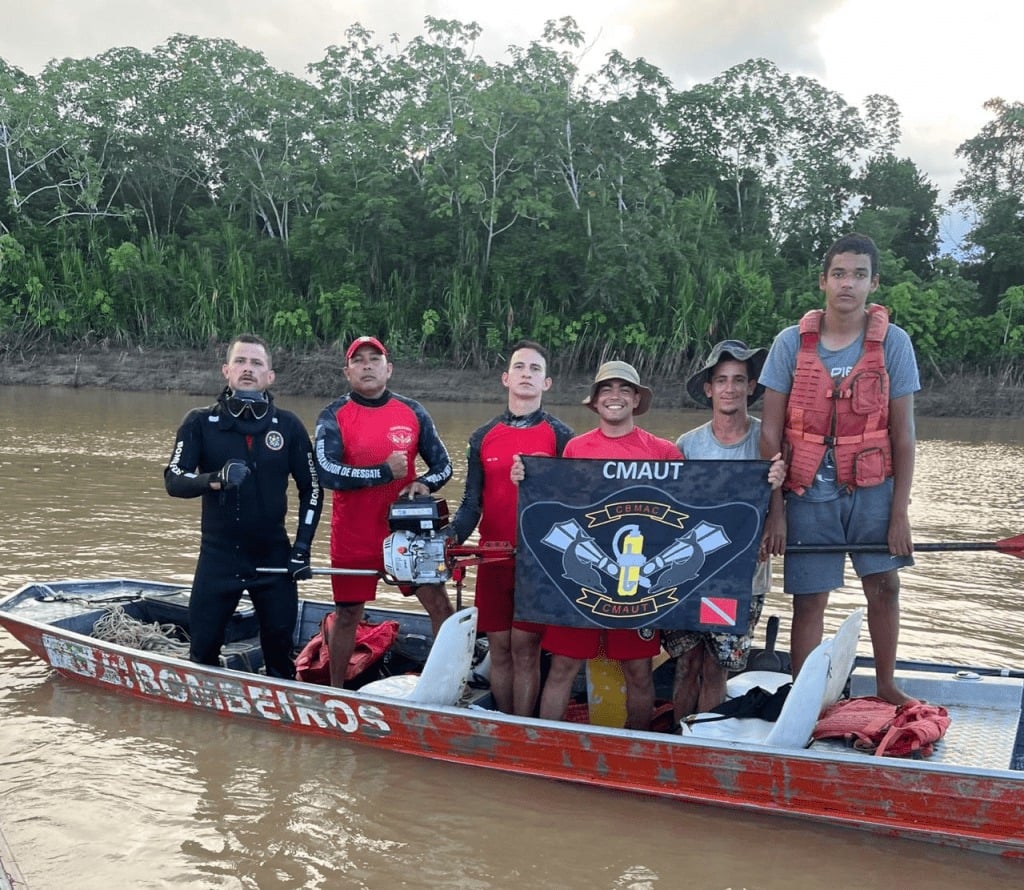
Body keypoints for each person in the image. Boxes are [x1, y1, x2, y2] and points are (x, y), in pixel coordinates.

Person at [759, 232, 919, 705]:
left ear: (873, 283)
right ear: (823, 281)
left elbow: (904, 434)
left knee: (885, 586)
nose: (848, 283)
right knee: (810, 600)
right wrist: (776, 511)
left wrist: (899, 512)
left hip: (872, 488)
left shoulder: (894, 343)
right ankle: (802, 696)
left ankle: (886, 684)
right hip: (807, 489)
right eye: (839, 273)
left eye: (859, 275)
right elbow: (769, 435)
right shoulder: (790, 343)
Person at [513, 360, 681, 731]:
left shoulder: (664, 452)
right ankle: (543, 744)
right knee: (563, 667)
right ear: (596, 400)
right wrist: (528, 473)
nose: (615, 396)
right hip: (583, 580)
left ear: (637, 399)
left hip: (638, 583)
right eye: (607, 389)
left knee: (638, 672)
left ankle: (636, 748)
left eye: (624, 389)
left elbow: (688, 508)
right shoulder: (575, 448)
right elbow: (557, 507)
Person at [165, 333, 323, 678]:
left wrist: (302, 549)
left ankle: (281, 710)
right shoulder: (199, 422)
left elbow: (312, 488)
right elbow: (174, 479)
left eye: (256, 363)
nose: (247, 369)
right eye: (240, 361)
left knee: (281, 657)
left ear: (270, 376)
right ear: (226, 370)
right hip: (218, 556)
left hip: (274, 558)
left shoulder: (290, 426)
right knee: (202, 652)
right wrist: (214, 479)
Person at [314, 335, 455, 688]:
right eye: (358, 360)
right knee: (347, 615)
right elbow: (326, 472)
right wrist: (380, 472)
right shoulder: (333, 415)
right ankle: (337, 692)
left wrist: (425, 483)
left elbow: (444, 466)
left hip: (406, 535)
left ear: (388, 369)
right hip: (353, 535)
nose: (366, 365)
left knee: (441, 609)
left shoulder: (413, 411)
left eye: (374, 359)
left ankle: (436, 686)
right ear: (347, 372)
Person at [449, 340, 574, 716]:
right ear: (506, 378)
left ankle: (524, 726)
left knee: (526, 648)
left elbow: (574, 500)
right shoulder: (482, 436)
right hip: (492, 557)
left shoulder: (562, 436)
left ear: (547, 383)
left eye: (535, 369)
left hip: (540, 562)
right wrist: (451, 535)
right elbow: (472, 503)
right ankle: (505, 723)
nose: (526, 375)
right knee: (500, 648)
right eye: (520, 367)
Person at [664, 339, 782, 720]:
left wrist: (777, 489)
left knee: (717, 666)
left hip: (741, 579)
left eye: (738, 380)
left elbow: (784, 502)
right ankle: (677, 741)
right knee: (686, 663)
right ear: (709, 389)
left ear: (750, 386)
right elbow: (670, 508)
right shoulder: (687, 444)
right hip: (691, 576)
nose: (729, 388)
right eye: (721, 380)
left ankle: (704, 747)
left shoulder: (768, 440)